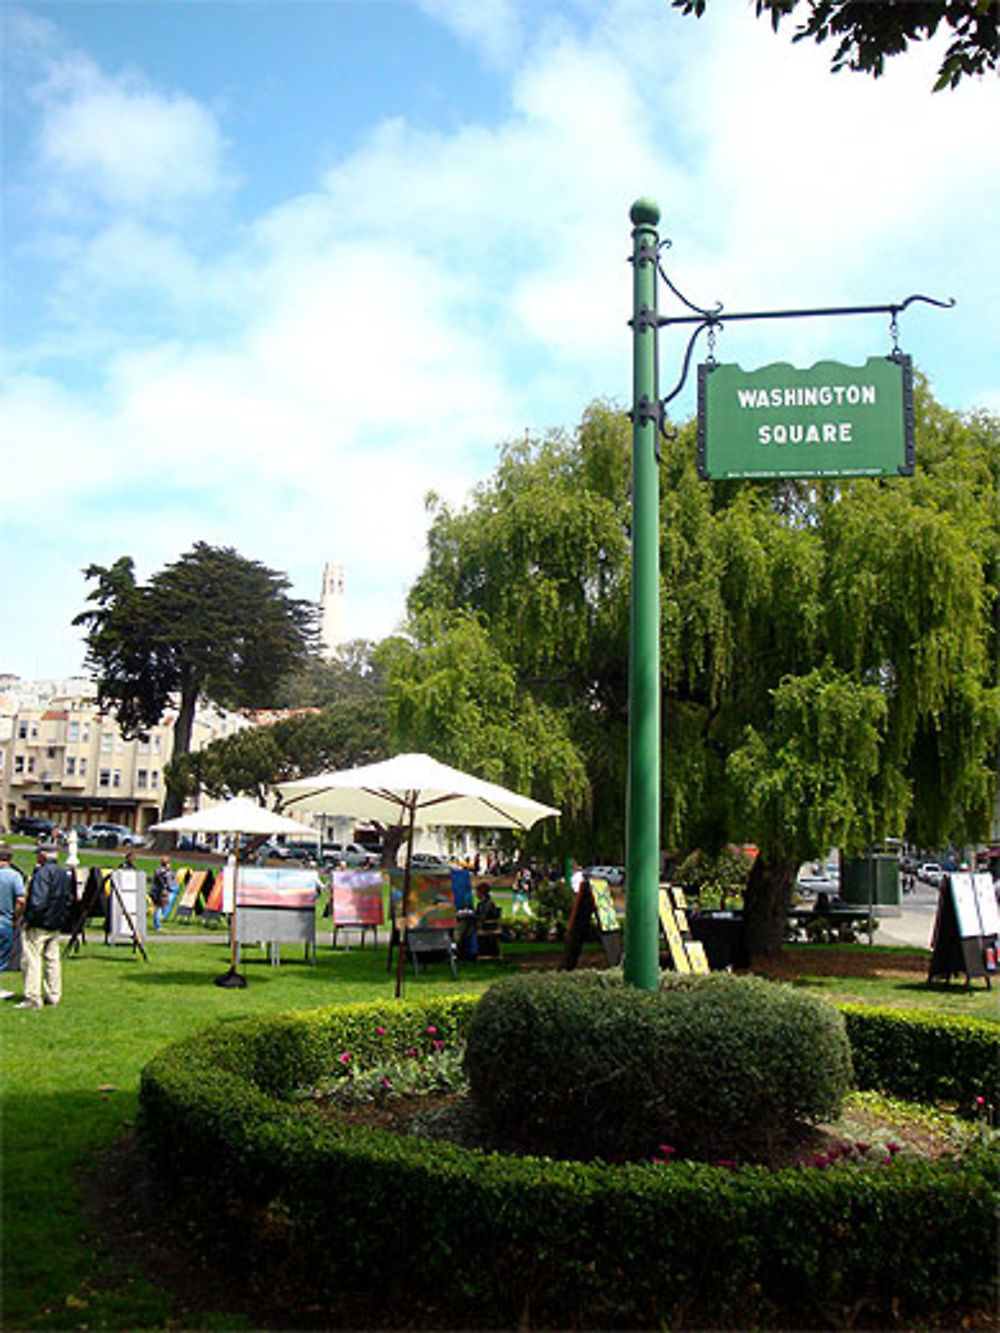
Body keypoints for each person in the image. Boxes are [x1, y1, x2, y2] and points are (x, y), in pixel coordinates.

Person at [16, 843, 76, 1010]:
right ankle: (53, 995)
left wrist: (27, 919)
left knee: (32, 960)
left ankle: (33, 998)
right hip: (56, 923)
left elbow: (37, 900)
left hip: (39, 923)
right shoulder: (64, 873)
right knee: (52, 960)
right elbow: (69, 899)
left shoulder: (42, 873)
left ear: (42, 856)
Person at [0, 844, 26, 1001]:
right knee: (2, 957)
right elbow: (21, 900)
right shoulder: (14, 876)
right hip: (4, 921)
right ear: (10, 858)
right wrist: (17, 917)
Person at [150, 854, 174, 931]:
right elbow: (169, 882)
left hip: (156, 890)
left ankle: (156, 923)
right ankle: (157, 925)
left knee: (157, 907)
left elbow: (153, 880)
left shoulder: (157, 870)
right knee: (161, 908)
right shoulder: (167, 872)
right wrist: (170, 888)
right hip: (163, 891)